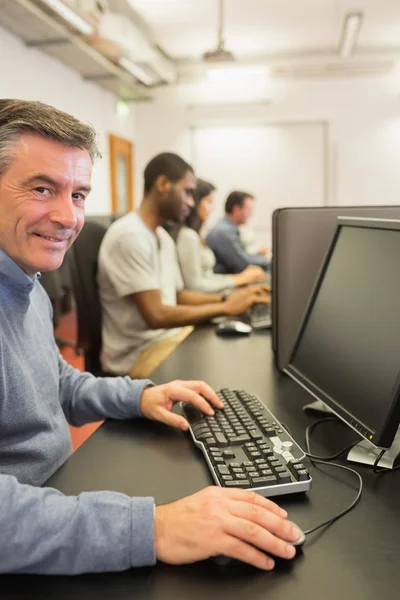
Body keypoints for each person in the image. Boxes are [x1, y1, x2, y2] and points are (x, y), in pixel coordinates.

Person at [0, 99, 300, 575]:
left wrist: (141, 397)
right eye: (42, 188)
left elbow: (56, 383)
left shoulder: (26, 282)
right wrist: (154, 528)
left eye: (78, 195)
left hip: (55, 498)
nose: (68, 217)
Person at [98, 154, 269, 375]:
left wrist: (229, 298)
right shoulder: (130, 236)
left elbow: (179, 296)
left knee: (240, 357)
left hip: (169, 338)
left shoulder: (163, 237)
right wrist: (224, 307)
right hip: (138, 355)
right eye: (187, 192)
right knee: (229, 370)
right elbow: (156, 315)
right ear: (162, 184)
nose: (191, 202)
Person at [166, 178, 265, 293]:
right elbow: (195, 286)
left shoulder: (196, 234)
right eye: (209, 201)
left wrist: (239, 279)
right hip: (211, 298)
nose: (212, 208)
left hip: (217, 292)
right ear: (195, 203)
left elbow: (208, 277)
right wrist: (238, 279)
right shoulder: (188, 236)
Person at [206, 191, 271, 274]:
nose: (251, 214)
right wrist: (272, 262)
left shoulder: (228, 227)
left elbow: (243, 255)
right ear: (236, 209)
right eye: (249, 210)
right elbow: (244, 262)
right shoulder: (225, 232)